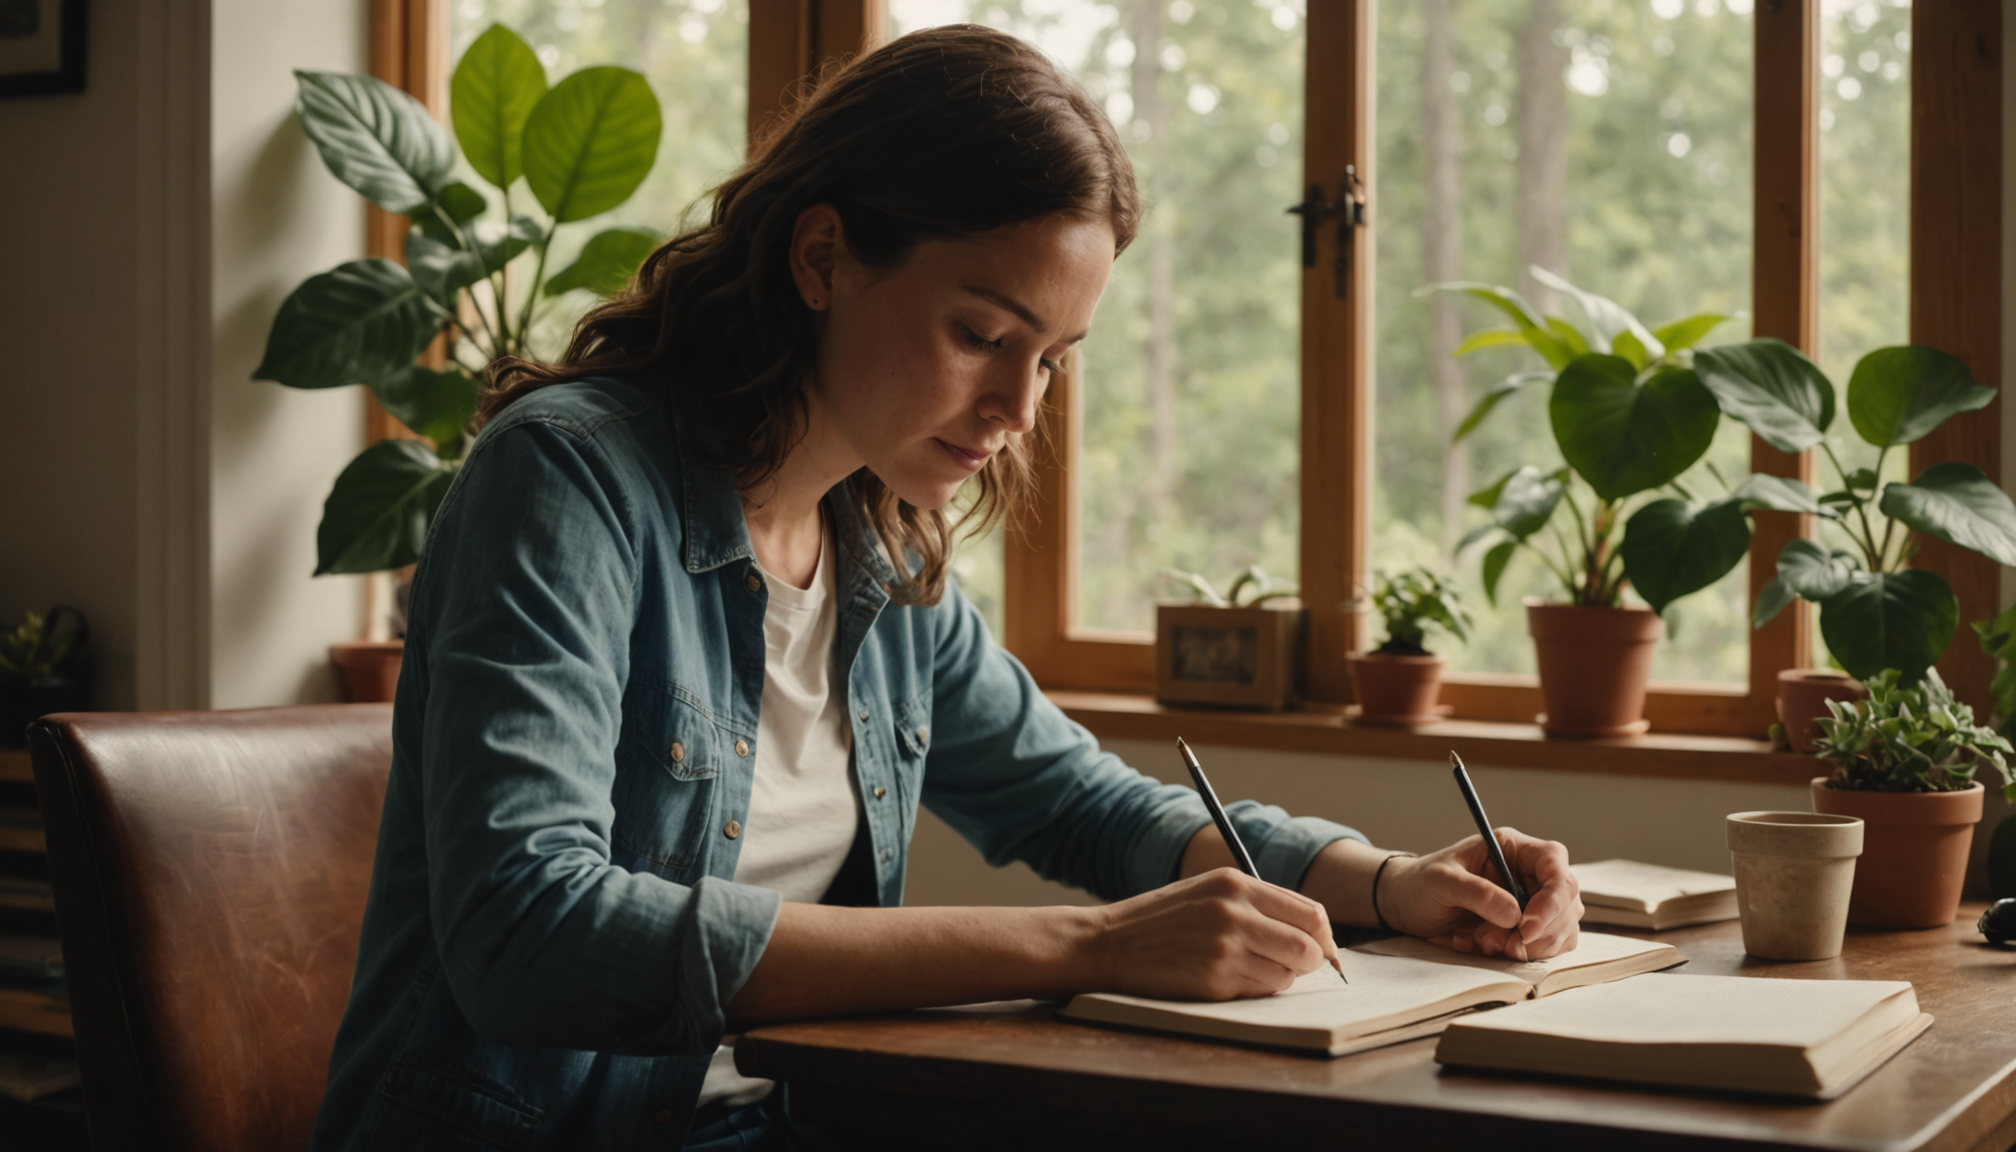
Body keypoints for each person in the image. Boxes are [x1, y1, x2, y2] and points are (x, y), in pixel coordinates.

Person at [311, 25, 1582, 1152]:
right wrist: (1089, 946)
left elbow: (1080, 805)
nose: (1020, 410)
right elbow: (530, 935)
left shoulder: (879, 545)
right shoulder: (568, 478)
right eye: (983, 336)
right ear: (822, 256)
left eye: (1054, 360)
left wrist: (1386, 881)